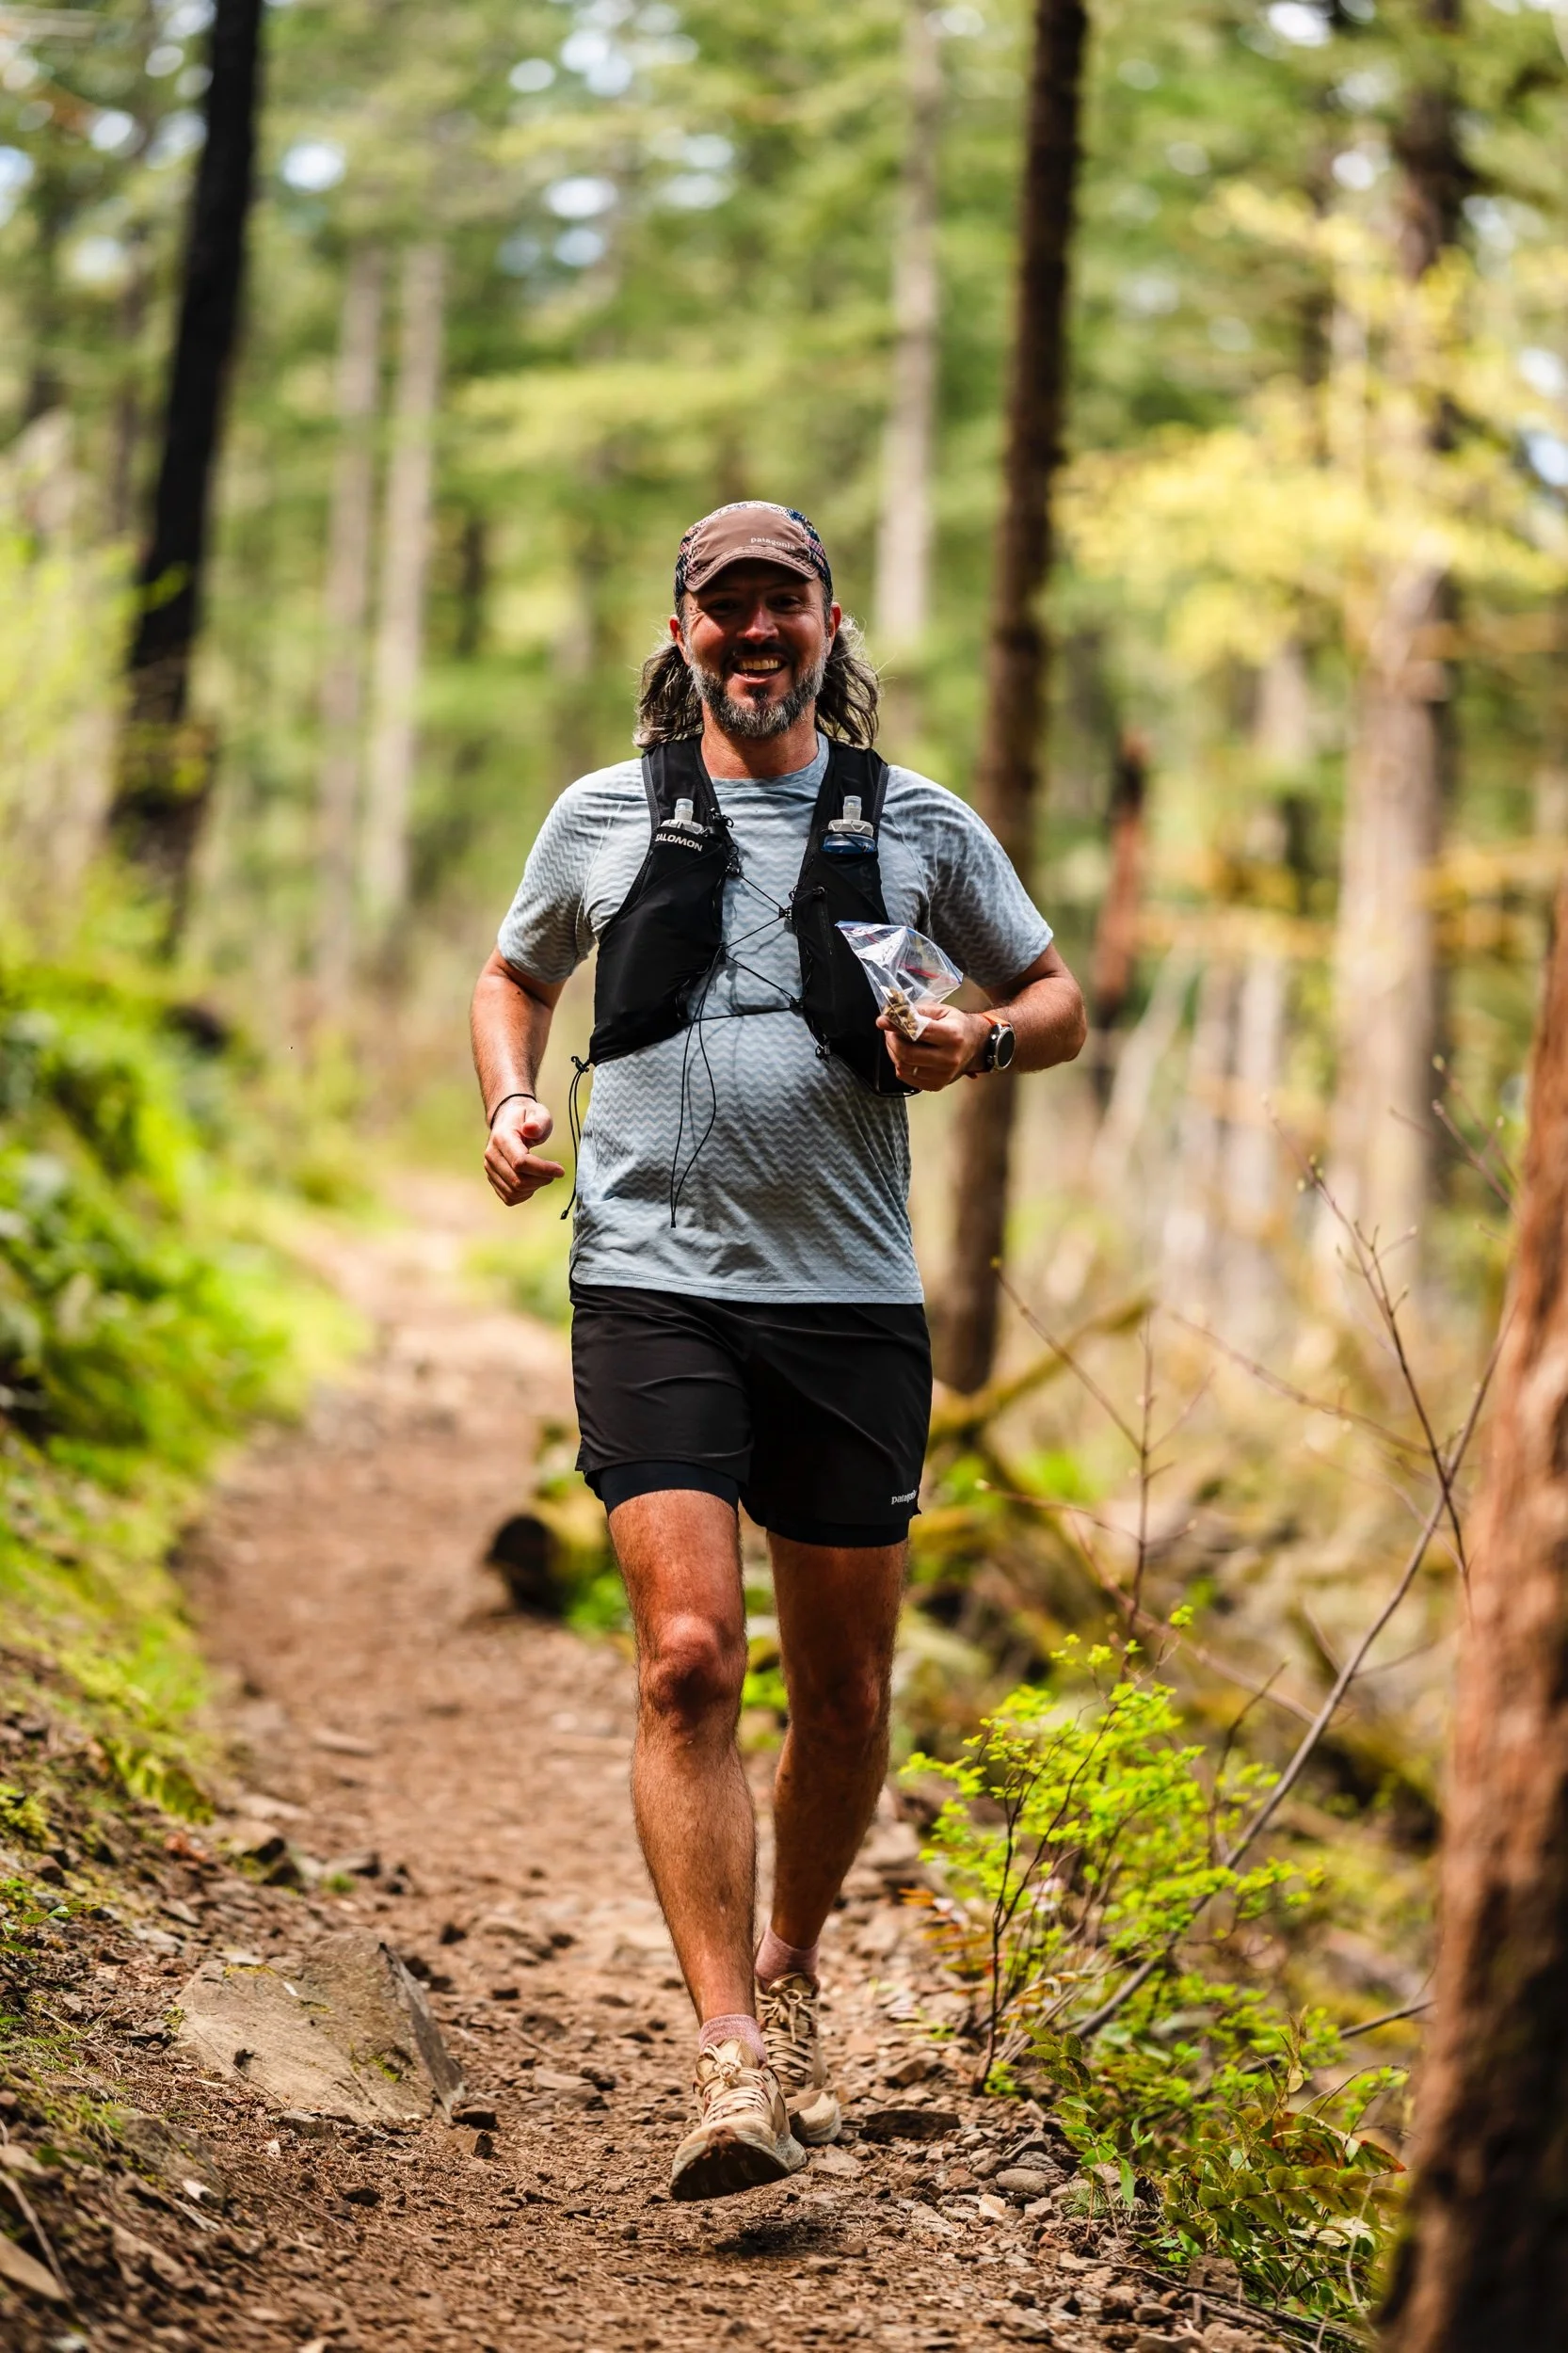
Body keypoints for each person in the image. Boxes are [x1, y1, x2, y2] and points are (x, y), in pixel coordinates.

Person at [471, 501, 1085, 2201]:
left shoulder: (918, 821)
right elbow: (513, 975)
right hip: (649, 1284)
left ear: (827, 624)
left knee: (846, 1691)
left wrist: (977, 1039)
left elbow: (1056, 999)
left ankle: (796, 1973)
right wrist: (510, 1099)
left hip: (850, 1297)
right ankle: (729, 2056)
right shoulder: (604, 810)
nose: (753, 631)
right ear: (680, 631)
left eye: (782, 602)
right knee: (685, 1658)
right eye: (721, 603)